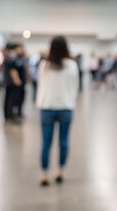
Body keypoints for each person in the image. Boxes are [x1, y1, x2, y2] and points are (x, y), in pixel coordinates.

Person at [36, 36, 79, 187]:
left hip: (47, 107)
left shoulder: (44, 65)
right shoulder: (72, 65)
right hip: (66, 107)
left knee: (46, 142)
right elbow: (75, 87)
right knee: (64, 141)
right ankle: (60, 171)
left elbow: (40, 86)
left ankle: (44, 174)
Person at [4, 43, 26, 123]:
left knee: (11, 100)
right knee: (11, 100)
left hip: (11, 83)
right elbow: (12, 70)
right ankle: (10, 116)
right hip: (12, 83)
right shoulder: (11, 57)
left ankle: (10, 116)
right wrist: (16, 80)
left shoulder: (14, 57)